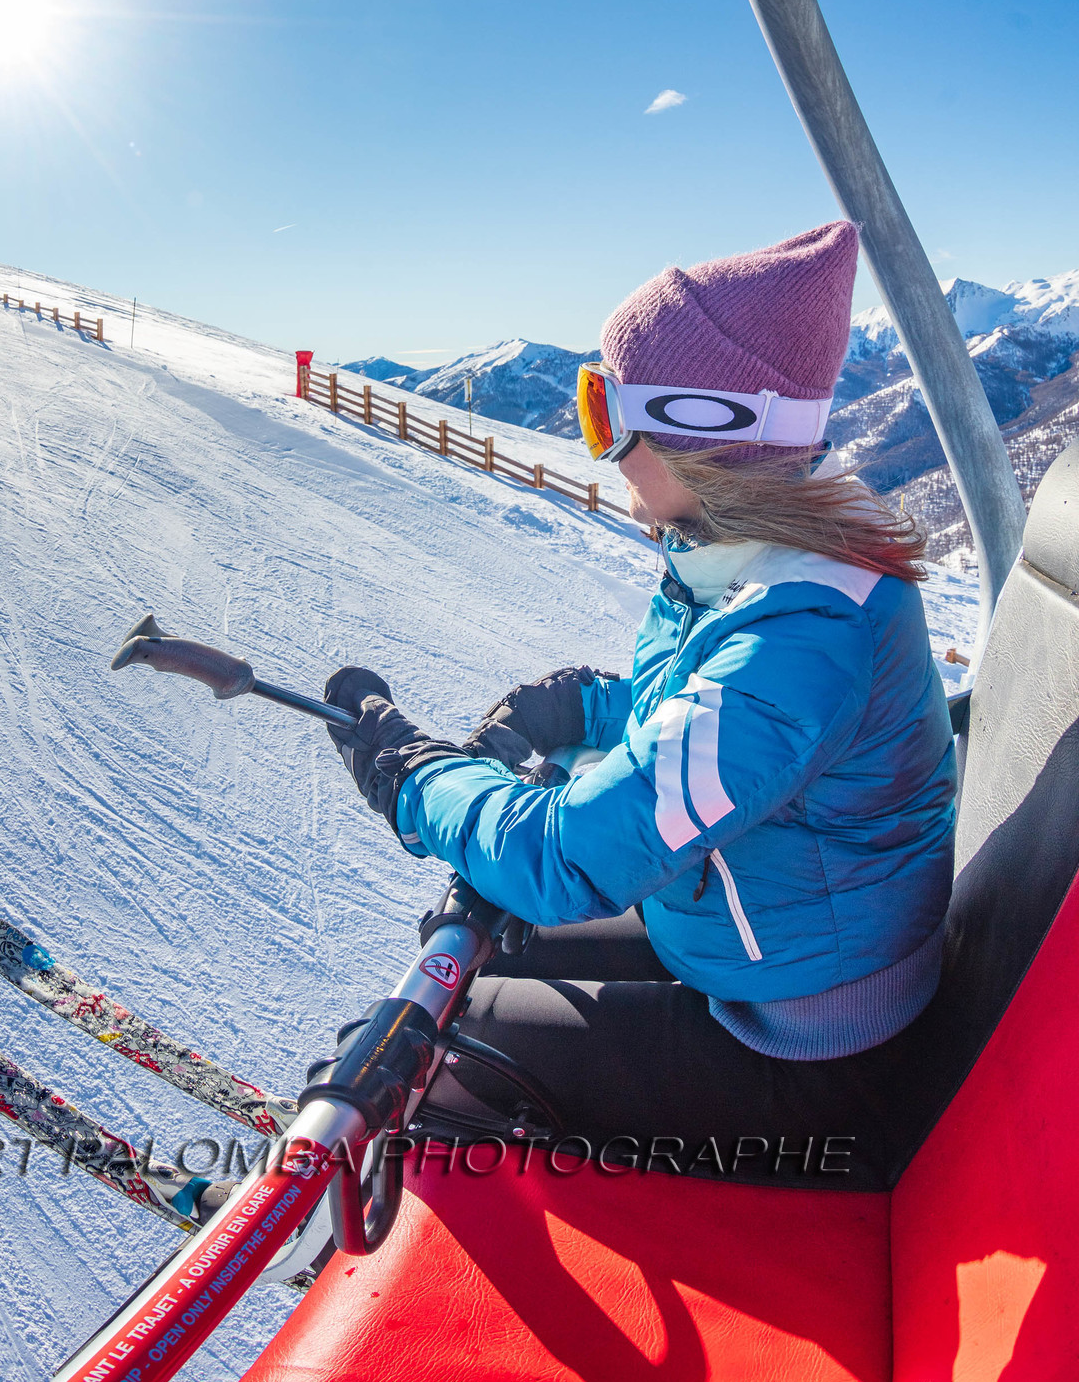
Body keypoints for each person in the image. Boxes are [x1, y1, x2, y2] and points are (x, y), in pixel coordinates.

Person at [324, 222, 957, 1189]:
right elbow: (712, 724)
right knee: (489, 959)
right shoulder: (768, 576)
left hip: (809, 1053)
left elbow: (564, 855)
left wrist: (414, 782)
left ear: (703, 429)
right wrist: (578, 708)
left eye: (606, 411)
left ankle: (357, 1223)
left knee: (420, 1053)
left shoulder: (800, 634)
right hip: (768, 956)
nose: (604, 449)